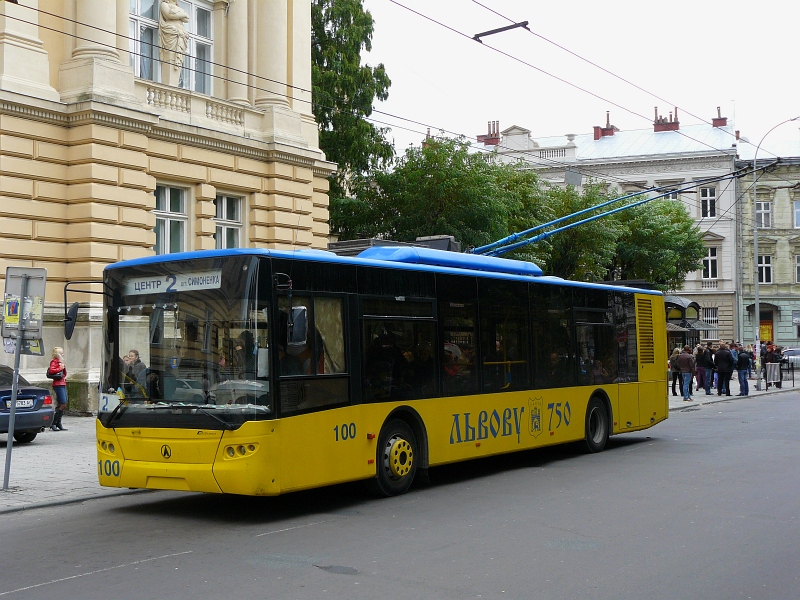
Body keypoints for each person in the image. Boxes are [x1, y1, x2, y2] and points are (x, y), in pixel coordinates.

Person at [48, 347, 68, 431]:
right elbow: (52, 370)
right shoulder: (54, 361)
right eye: (62, 353)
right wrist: (61, 368)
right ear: (58, 354)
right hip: (58, 384)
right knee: (63, 403)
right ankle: (53, 423)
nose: (63, 354)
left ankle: (58, 423)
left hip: (62, 383)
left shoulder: (59, 362)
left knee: (63, 404)